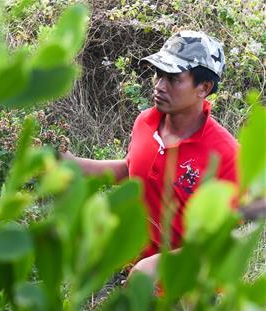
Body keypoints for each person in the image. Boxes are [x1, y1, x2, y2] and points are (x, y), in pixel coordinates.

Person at [60, 31, 239, 281]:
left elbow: (221, 242)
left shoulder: (226, 155)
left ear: (204, 88)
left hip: (183, 290)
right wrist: (68, 163)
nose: (159, 86)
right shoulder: (146, 122)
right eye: (158, 74)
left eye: (173, 79)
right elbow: (131, 171)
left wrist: (155, 266)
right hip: (127, 265)